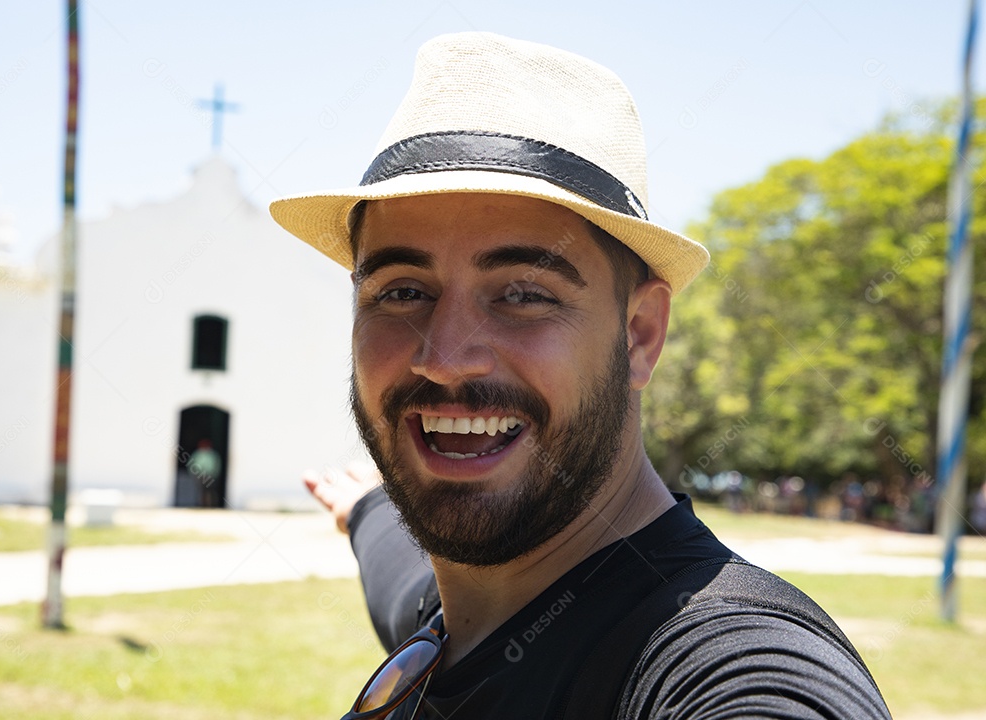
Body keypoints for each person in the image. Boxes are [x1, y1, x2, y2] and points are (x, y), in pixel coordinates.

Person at [271, 32, 890, 719]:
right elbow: (401, 574)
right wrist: (364, 509)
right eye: (402, 292)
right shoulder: (461, 620)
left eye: (523, 294)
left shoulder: (724, 661)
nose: (443, 358)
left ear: (639, 334)